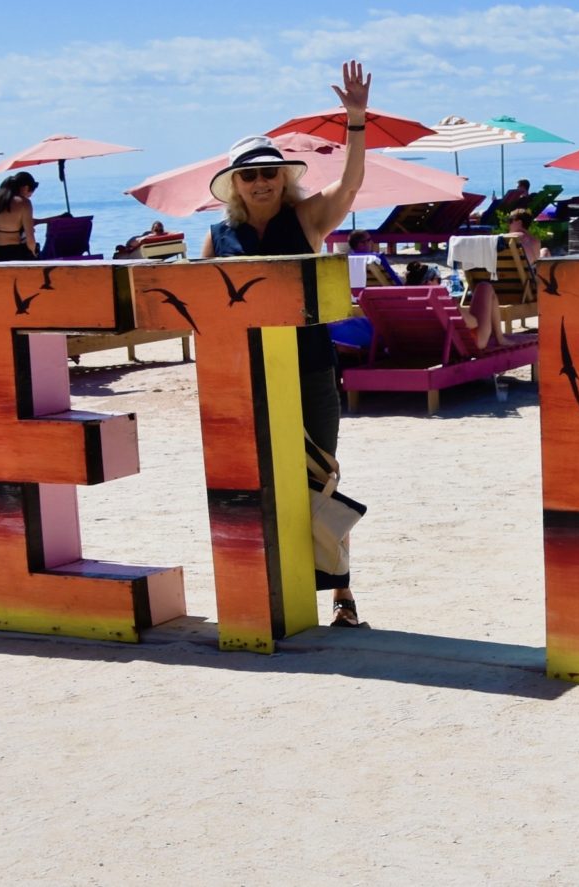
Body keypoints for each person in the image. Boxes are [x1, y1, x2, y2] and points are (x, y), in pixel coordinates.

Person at [206, 60, 377, 627]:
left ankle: (342, 595)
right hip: (248, 374)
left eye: (270, 174)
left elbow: (351, 184)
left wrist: (356, 122)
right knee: (262, 484)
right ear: (235, 183)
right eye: (250, 176)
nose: (261, 183)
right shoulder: (217, 236)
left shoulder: (307, 219)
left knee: (320, 479)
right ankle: (277, 590)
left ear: (284, 178)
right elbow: (203, 307)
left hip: (308, 369)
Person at [0, 172, 40, 262]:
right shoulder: (24, 203)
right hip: (11, 253)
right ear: (26, 188)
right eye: (30, 192)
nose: (29, 196)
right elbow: (30, 239)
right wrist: (34, 254)